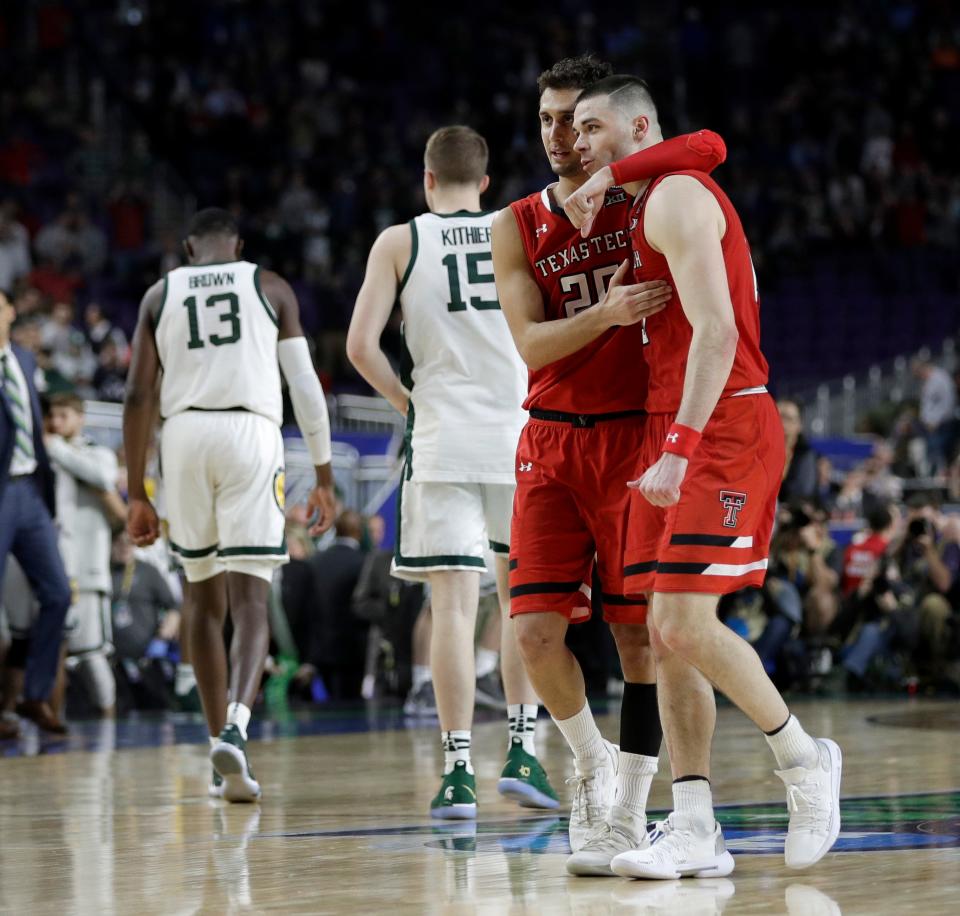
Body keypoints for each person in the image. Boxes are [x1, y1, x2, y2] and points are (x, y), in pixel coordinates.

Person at [564, 75, 842, 878]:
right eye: (572, 129)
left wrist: (680, 445)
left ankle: (803, 759)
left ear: (640, 124)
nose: (579, 141)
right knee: (664, 633)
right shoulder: (655, 190)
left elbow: (717, 332)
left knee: (683, 624)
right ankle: (694, 824)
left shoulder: (677, 195)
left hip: (720, 425)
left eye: (593, 126)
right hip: (675, 425)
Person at [491, 55, 726, 874]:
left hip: (636, 436)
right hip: (552, 437)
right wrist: (608, 311)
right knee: (532, 632)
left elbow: (706, 145)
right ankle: (589, 762)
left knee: (639, 640)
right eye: (548, 121)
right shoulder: (515, 224)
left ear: (608, 127)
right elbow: (530, 345)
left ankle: (630, 804)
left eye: (575, 120)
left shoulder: (650, 200)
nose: (561, 136)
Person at [347, 125, 559, 818]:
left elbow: (359, 347)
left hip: (440, 439)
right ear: (488, 181)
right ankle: (525, 751)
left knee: (452, 608)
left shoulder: (398, 242)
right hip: (516, 434)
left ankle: (459, 771)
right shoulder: (521, 227)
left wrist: (407, 401)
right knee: (519, 600)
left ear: (428, 179)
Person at [123, 208, 336, 802]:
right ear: (238, 245)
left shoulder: (159, 294)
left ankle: (219, 746)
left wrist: (137, 491)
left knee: (200, 596)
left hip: (184, 437)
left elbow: (138, 393)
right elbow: (304, 383)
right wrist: (323, 474)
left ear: (189, 248)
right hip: (250, 434)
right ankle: (239, 728)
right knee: (250, 595)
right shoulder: (268, 285)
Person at [0, 288, 72, 734]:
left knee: (59, 593)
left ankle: (35, 695)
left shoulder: (25, 361)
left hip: (29, 490)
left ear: (9, 312)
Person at [46, 392, 121, 716]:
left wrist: (56, 448)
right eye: (53, 416)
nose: (56, 423)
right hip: (52, 565)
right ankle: (53, 719)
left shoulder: (97, 453)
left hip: (89, 570)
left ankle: (110, 718)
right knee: (52, 650)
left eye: (64, 415)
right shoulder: (46, 455)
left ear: (80, 418)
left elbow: (105, 478)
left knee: (91, 654)